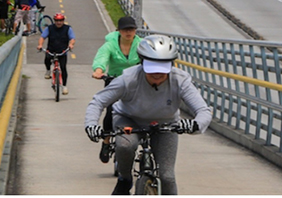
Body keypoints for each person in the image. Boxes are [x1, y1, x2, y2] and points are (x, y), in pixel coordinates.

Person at [84, 35, 212, 195]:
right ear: (142, 62)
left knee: (167, 177)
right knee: (125, 145)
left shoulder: (180, 80)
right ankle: (124, 179)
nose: (157, 74)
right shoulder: (128, 78)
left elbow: (203, 111)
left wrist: (194, 125)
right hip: (129, 119)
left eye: (163, 69)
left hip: (166, 124)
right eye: (152, 68)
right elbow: (98, 101)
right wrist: (91, 125)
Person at [91, 16, 142, 163]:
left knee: (142, 110)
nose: (128, 32)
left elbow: (150, 57)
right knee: (110, 111)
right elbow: (102, 58)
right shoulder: (110, 44)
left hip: (135, 83)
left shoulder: (141, 44)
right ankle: (106, 142)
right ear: (119, 30)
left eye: (131, 29)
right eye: (125, 29)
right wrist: (99, 70)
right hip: (114, 81)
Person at [37, 13, 76, 95]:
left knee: (63, 68)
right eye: (57, 21)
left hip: (62, 51)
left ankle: (64, 86)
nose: (59, 22)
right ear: (54, 21)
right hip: (51, 50)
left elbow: (72, 38)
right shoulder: (50, 28)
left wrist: (71, 44)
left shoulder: (68, 28)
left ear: (63, 21)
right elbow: (42, 37)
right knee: (47, 60)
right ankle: (48, 71)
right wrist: (40, 45)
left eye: (61, 20)